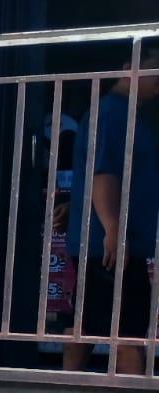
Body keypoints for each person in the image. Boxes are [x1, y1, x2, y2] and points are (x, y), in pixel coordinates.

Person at [64, 48, 159, 374]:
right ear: (127, 67)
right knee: (128, 329)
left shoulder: (126, 115)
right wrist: (114, 231)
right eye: (154, 68)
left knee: (87, 322)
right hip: (111, 245)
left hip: (107, 241)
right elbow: (103, 174)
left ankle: (64, 391)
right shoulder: (112, 113)